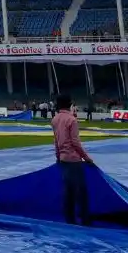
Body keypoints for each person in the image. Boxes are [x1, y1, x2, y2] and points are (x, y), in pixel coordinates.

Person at [52, 94, 94, 225]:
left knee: (68, 191)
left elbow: (56, 141)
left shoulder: (55, 119)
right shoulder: (72, 120)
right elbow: (75, 142)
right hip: (74, 160)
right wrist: (86, 158)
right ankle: (85, 219)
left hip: (63, 159)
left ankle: (70, 219)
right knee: (81, 191)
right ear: (70, 104)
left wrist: (58, 156)